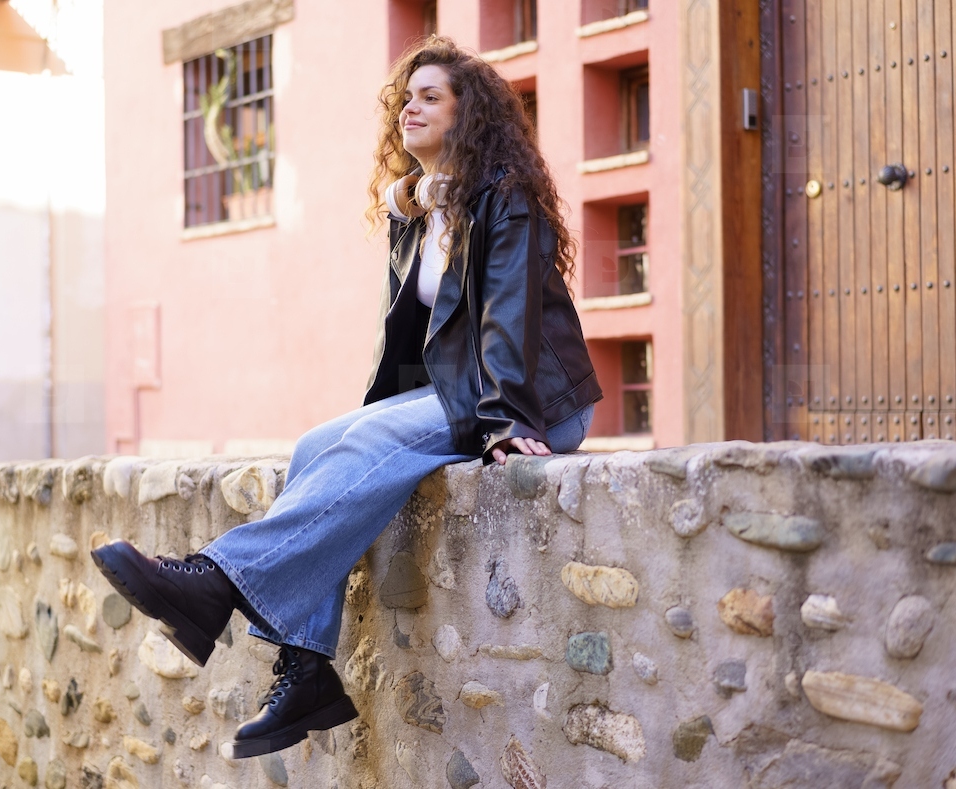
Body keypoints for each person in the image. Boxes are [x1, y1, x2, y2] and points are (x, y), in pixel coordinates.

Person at [91, 36, 603, 760]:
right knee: (313, 445)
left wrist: (503, 420)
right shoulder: (427, 208)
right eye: (405, 99)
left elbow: (506, 315)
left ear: (471, 114)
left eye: (431, 96)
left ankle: (212, 581)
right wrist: (413, 204)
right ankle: (304, 669)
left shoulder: (504, 198)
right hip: (459, 390)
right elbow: (409, 332)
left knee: (364, 444)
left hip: (529, 400)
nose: (409, 109)